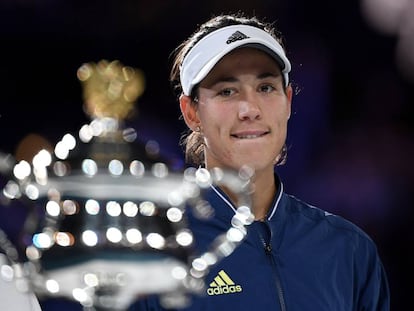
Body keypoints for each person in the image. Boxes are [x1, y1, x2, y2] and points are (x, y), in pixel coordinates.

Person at [130, 11, 390, 311]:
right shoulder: (152, 253)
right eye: (227, 91)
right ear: (192, 113)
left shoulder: (349, 249)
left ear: (288, 101)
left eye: (265, 88)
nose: (250, 109)